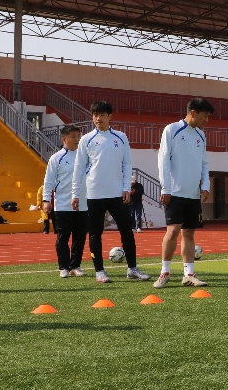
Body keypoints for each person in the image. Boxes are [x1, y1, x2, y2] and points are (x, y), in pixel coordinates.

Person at [73, 103, 151, 282]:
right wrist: (75, 194)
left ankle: (132, 269)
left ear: (110, 117)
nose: (98, 118)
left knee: (127, 231)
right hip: (94, 194)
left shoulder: (121, 137)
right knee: (95, 233)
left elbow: (127, 164)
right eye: (95, 115)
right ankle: (99, 271)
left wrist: (126, 188)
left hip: (117, 193)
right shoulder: (86, 139)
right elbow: (79, 167)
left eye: (102, 115)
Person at [155, 98, 213, 288]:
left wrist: (205, 186)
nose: (206, 120)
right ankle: (165, 272)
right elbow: (163, 159)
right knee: (172, 231)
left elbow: (204, 163)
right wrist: (165, 188)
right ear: (193, 113)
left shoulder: (201, 135)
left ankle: (189, 274)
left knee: (189, 233)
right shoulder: (172, 130)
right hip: (174, 192)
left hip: (193, 194)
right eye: (205, 116)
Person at [44, 125, 87, 278]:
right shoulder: (56, 158)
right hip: (63, 204)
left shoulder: (85, 156)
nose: (77, 139)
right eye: (73, 136)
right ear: (64, 139)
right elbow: (48, 180)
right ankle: (64, 267)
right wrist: (46, 200)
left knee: (80, 237)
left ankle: (75, 265)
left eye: (78, 136)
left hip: (83, 204)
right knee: (63, 237)